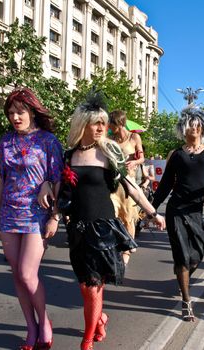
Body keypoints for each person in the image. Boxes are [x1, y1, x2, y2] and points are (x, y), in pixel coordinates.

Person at [58, 93, 165, 350]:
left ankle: (86, 341)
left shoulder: (108, 153)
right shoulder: (69, 155)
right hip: (77, 229)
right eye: (96, 123)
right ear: (82, 123)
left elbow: (131, 187)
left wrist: (153, 213)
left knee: (95, 286)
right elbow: (63, 192)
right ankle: (100, 319)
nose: (101, 128)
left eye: (103, 123)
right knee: (85, 287)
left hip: (103, 227)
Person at [0, 88, 63, 350]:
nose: (15, 117)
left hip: (36, 215)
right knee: (17, 275)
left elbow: (58, 180)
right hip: (9, 212)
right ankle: (30, 327)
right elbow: (3, 180)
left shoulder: (48, 141)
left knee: (27, 272)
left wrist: (55, 216)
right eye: (11, 113)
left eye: (20, 111)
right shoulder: (6, 141)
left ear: (32, 111)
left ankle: (44, 322)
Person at [152, 104, 204, 322]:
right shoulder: (176, 154)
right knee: (182, 256)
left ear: (203, 127)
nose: (194, 128)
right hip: (176, 211)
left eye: (197, 125)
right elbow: (165, 185)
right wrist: (151, 208)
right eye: (190, 125)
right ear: (184, 128)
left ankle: (182, 275)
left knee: (197, 254)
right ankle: (186, 300)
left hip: (195, 211)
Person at [108, 110, 145, 264]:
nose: (109, 126)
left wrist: (135, 162)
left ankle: (127, 249)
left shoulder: (134, 137)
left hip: (129, 182)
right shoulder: (110, 139)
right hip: (114, 183)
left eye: (111, 123)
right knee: (113, 215)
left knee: (128, 217)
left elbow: (142, 158)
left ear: (120, 123)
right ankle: (119, 244)